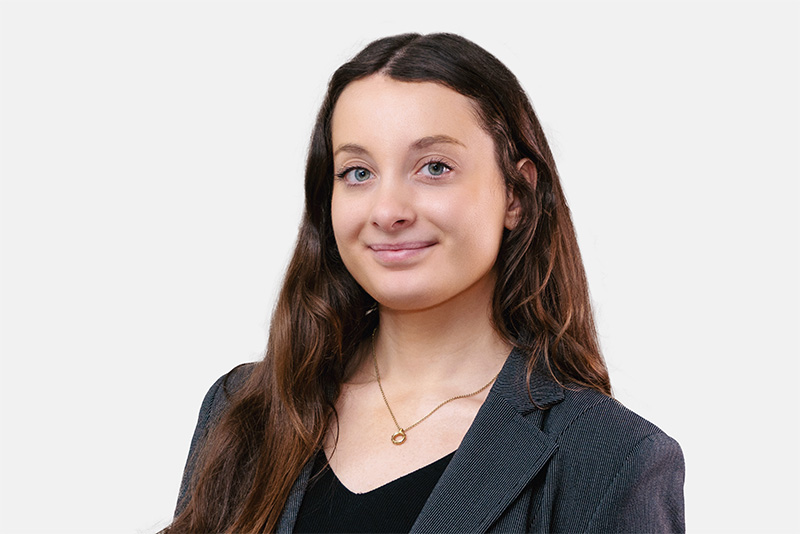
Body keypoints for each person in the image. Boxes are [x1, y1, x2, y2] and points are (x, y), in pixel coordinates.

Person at [165, 33, 685, 533]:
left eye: (434, 167)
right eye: (358, 172)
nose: (388, 210)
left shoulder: (611, 457)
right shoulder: (243, 410)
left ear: (517, 195)